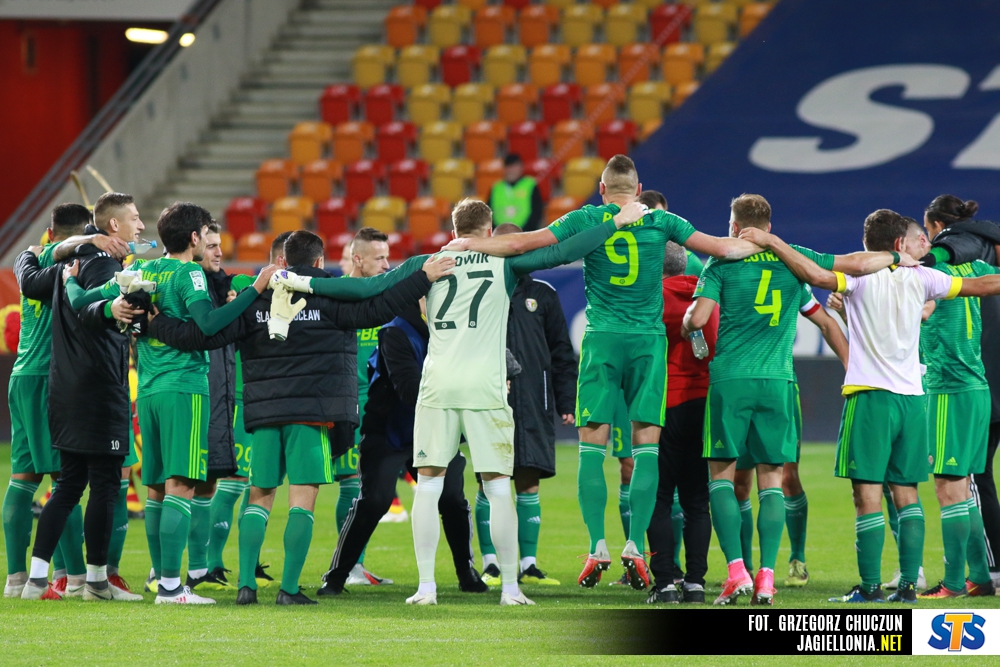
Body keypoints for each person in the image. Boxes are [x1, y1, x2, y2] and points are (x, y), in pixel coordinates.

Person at [441, 155, 764, 591]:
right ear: (639, 189)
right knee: (646, 447)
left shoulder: (588, 218)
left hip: (602, 340)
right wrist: (771, 244)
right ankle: (634, 543)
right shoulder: (662, 221)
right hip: (647, 343)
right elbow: (724, 248)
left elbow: (523, 244)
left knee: (592, 447)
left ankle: (597, 544)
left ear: (601, 189)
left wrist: (467, 244)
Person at [148, 230, 453, 605]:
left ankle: (246, 585)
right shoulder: (329, 296)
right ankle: (289, 589)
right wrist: (423, 278)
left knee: (259, 496)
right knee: (301, 500)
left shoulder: (256, 299)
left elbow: (204, 336)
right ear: (320, 262)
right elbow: (379, 307)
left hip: (263, 413)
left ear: (283, 261)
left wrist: (156, 324)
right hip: (312, 414)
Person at [393, 198, 652, 606]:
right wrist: (615, 223)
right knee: (499, 487)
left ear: (454, 229)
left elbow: (371, 293)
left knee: (428, 485)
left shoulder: (427, 265)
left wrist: (308, 283)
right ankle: (511, 587)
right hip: (487, 386)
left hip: (438, 385)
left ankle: (426, 587)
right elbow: (562, 251)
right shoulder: (506, 266)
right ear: (489, 230)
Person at [738, 209, 1000, 604]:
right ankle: (908, 587)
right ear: (899, 243)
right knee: (907, 494)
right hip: (913, 400)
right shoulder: (923, 278)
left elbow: (815, 274)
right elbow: (981, 285)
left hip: (870, 398)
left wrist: (773, 242)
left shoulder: (859, 278)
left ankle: (871, 587)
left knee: (868, 497)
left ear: (873, 245)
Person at [684, 195, 893, 605]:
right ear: (769, 225)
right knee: (772, 483)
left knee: (722, 478)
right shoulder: (792, 264)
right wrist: (853, 367)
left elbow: (699, 317)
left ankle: (736, 572)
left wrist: (689, 327)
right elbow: (826, 320)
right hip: (778, 383)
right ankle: (766, 577)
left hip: (731, 381)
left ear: (735, 226)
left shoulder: (720, 263)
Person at [68, 202, 278, 604]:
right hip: (185, 388)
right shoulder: (189, 273)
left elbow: (82, 302)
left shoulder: (140, 271)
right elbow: (209, 325)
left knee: (156, 490)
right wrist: (254, 290)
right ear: (194, 237)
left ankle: (163, 579)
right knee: (181, 485)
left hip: (148, 390)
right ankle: (169, 586)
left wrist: (70, 282)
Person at [17, 193, 146, 602]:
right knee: (106, 486)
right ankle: (96, 582)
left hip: (63, 388)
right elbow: (86, 310)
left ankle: (35, 580)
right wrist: (114, 311)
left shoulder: (63, 264)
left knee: (68, 485)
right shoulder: (104, 265)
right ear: (114, 226)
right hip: (100, 388)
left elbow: (29, 277)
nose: (141, 226)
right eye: (135, 218)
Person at [317, 294, 487, 597]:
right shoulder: (396, 331)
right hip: (389, 431)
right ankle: (336, 577)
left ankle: (467, 573)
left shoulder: (452, 329)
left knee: (452, 500)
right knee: (375, 501)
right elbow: (409, 389)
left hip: (435, 428)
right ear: (423, 297)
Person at [472, 222, 577, 587]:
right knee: (489, 479)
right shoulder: (480, 290)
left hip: (534, 399)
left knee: (529, 479)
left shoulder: (543, 294)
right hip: (489, 398)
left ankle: (528, 564)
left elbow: (562, 352)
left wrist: (566, 400)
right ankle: (490, 564)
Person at [730, 282, 849, 590]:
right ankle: (745, 567)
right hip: (736, 384)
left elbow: (824, 321)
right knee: (739, 482)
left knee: (786, 477)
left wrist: (852, 367)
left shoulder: (791, 278)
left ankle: (797, 558)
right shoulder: (729, 273)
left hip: (780, 386)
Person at [913, 217, 998, 598]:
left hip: (949, 389)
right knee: (963, 490)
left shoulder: (928, 275)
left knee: (948, 489)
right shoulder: (977, 268)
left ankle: (950, 583)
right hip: (978, 388)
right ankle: (979, 576)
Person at [205, 231, 289, 589]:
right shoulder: (243, 286)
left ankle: (249, 564)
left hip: (271, 400)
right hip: (241, 398)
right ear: (280, 262)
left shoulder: (299, 295)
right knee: (233, 483)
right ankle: (211, 564)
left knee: (261, 486)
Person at [645, 242, 718, 604]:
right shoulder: (711, 298)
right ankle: (696, 584)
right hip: (704, 404)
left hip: (665, 406)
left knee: (658, 498)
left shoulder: (651, 298)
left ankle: (664, 585)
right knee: (697, 501)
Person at [336, 227, 395, 586]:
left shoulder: (387, 294)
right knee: (350, 483)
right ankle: (348, 567)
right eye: (379, 258)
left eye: (388, 257)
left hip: (379, 404)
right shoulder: (336, 295)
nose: (387, 264)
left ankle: (355, 565)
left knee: (367, 488)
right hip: (347, 402)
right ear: (357, 259)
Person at [637, 190, 704, 277]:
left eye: (662, 216)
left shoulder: (690, 261)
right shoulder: (626, 255)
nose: (656, 223)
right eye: (647, 218)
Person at [489, 154, 544, 231]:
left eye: (514, 167)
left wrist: (524, 232)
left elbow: (537, 212)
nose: (511, 170)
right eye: (509, 167)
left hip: (526, 233)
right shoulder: (496, 187)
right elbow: (488, 213)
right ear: (504, 169)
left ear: (521, 167)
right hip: (500, 235)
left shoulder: (530, 184)